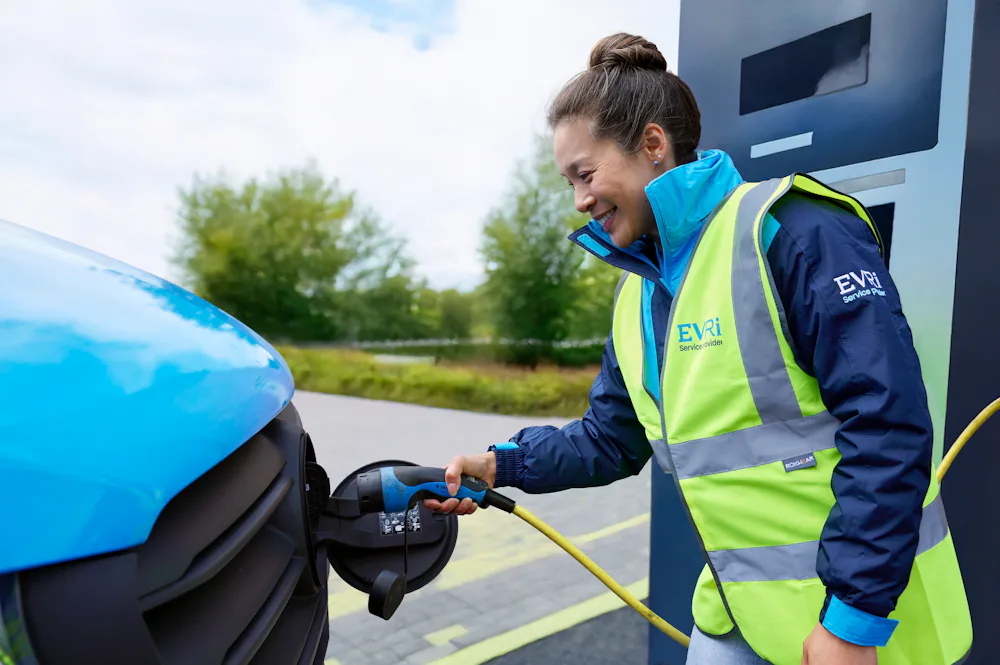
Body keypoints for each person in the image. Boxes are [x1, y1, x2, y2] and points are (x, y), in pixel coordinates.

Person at [423, 33, 972, 665]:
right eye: (568, 182)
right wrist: (501, 466)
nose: (579, 200)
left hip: (860, 622)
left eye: (586, 174)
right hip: (737, 614)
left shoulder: (793, 229)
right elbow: (609, 439)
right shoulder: (636, 297)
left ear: (653, 145)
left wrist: (852, 623)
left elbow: (887, 425)